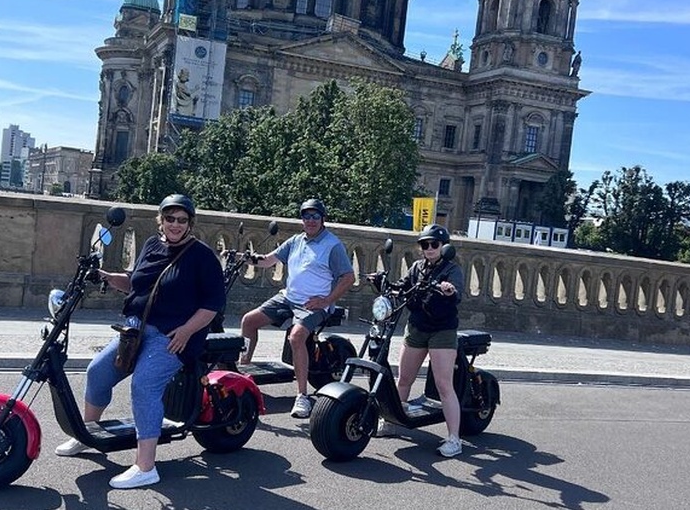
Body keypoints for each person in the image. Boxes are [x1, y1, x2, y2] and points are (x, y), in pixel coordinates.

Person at [55, 194, 225, 489]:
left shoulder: (202, 256)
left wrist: (186, 330)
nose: (175, 224)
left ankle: (146, 466)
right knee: (97, 371)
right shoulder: (152, 245)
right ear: (161, 219)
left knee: (144, 385)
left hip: (173, 336)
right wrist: (108, 277)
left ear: (190, 223)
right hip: (135, 330)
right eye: (169, 218)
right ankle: (88, 433)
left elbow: (213, 304)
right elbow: (136, 281)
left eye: (181, 220)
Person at [240, 198, 355, 418]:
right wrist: (244, 258)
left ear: (323, 219)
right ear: (301, 219)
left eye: (315, 216)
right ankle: (245, 372)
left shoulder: (332, 245)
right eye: (306, 216)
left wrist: (327, 300)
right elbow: (267, 260)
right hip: (288, 298)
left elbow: (348, 277)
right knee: (248, 321)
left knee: (296, 337)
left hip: (313, 304)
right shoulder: (295, 241)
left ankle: (302, 396)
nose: (310, 221)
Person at [376, 224, 465, 458]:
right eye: (425, 244)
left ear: (444, 247)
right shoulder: (417, 267)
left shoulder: (452, 269)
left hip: (442, 330)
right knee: (403, 378)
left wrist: (448, 290)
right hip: (417, 327)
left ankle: (454, 439)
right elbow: (403, 286)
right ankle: (391, 422)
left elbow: (456, 293)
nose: (429, 248)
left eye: (434, 244)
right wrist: (383, 283)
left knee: (444, 385)